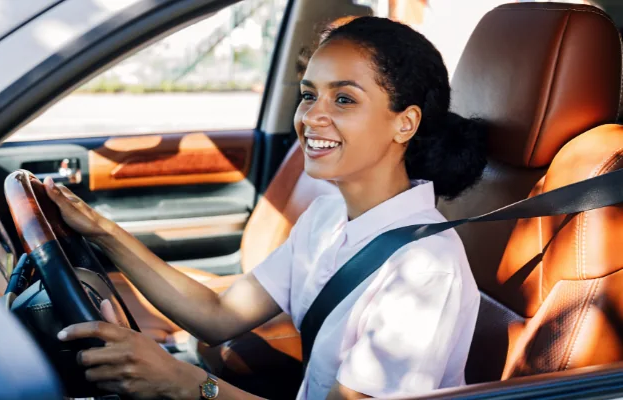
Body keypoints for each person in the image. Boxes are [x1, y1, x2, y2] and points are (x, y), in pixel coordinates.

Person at [46, 16, 486, 400]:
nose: (312, 116)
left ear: (405, 122)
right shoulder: (328, 217)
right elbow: (218, 315)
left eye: (344, 99)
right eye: (309, 94)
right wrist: (102, 231)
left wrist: (186, 383)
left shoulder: (425, 268)